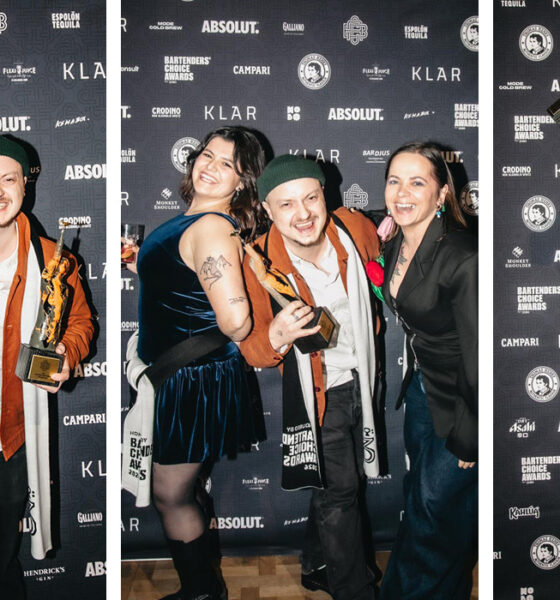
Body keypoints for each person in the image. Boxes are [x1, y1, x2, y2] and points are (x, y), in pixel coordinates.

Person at [239, 154, 382, 600]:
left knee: (338, 483)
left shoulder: (354, 228)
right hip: (320, 392)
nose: (302, 214)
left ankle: (316, 563)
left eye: (311, 198)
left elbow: (385, 258)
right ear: (267, 209)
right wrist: (277, 335)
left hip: (366, 377)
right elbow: (254, 348)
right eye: (286, 204)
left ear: (325, 195)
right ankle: (353, 590)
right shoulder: (259, 263)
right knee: (342, 492)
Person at [135, 126, 267, 600]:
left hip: (192, 377)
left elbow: (236, 322)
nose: (210, 166)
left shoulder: (212, 225)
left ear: (243, 182)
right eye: (207, 155)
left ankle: (202, 593)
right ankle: (204, 588)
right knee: (179, 491)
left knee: (170, 494)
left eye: (227, 164)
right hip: (180, 374)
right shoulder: (196, 219)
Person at [374, 142, 477, 600]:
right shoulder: (397, 239)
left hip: (463, 399)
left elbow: (479, 357)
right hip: (421, 389)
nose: (402, 192)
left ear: (442, 194)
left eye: (417, 182)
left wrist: (470, 436)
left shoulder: (463, 256)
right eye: (394, 180)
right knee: (423, 504)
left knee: (434, 510)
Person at [0, 135, 93, 598]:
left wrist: (67, 355)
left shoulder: (54, 259)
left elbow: (80, 323)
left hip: (12, 436)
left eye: (8, 179)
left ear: (25, 186)